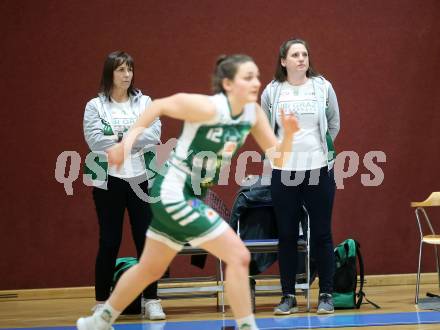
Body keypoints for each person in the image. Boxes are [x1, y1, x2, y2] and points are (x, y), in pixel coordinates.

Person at [77, 54, 299, 330]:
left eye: (257, 75)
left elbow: (278, 158)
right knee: (239, 256)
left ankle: (99, 320)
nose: (256, 82)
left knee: (149, 268)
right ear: (228, 84)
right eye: (247, 77)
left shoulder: (253, 114)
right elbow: (157, 106)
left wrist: (288, 135)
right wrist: (127, 143)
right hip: (172, 191)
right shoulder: (204, 107)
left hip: (188, 195)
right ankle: (246, 326)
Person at [83, 51, 165, 320]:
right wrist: (131, 135)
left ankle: (151, 299)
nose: (127, 74)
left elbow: (154, 134)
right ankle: (101, 301)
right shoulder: (95, 106)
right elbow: (96, 141)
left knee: (146, 240)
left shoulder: (145, 103)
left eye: (129, 69)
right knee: (109, 241)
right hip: (108, 181)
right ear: (110, 73)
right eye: (120, 70)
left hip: (140, 178)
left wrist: (119, 138)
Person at [261, 38, 340, 315]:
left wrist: (319, 151)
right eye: (295, 54)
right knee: (286, 235)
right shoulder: (272, 91)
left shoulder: (322, 87)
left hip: (318, 169)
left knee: (321, 233)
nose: (301, 59)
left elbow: (333, 122)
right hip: (284, 172)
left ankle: (326, 294)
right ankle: (288, 296)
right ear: (283, 61)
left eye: (304, 54)